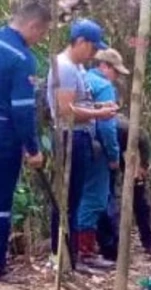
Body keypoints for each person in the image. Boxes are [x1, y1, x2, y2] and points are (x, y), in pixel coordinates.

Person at [46, 18, 117, 271]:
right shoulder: (65, 67)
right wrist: (99, 114)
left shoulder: (77, 68)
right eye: (92, 47)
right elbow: (66, 111)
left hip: (80, 136)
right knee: (67, 200)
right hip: (70, 137)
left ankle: (71, 257)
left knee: (74, 200)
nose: (93, 53)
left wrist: (99, 107)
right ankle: (61, 256)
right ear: (80, 42)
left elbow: (79, 103)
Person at [0, 1, 51, 281]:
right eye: (41, 34)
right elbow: (22, 109)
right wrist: (33, 149)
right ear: (33, 26)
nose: (39, 39)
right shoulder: (21, 57)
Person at [78, 48, 129, 268]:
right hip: (96, 148)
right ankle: (85, 252)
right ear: (105, 66)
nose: (116, 77)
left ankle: (76, 248)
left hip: (77, 143)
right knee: (95, 199)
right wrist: (114, 155)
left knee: (79, 195)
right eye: (115, 71)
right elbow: (107, 127)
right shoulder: (104, 87)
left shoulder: (83, 78)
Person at [96, 115, 151, 260]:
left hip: (125, 152)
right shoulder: (90, 129)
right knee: (105, 198)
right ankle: (110, 245)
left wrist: (143, 165)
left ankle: (148, 242)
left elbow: (142, 135)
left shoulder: (119, 127)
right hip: (105, 157)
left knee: (138, 196)